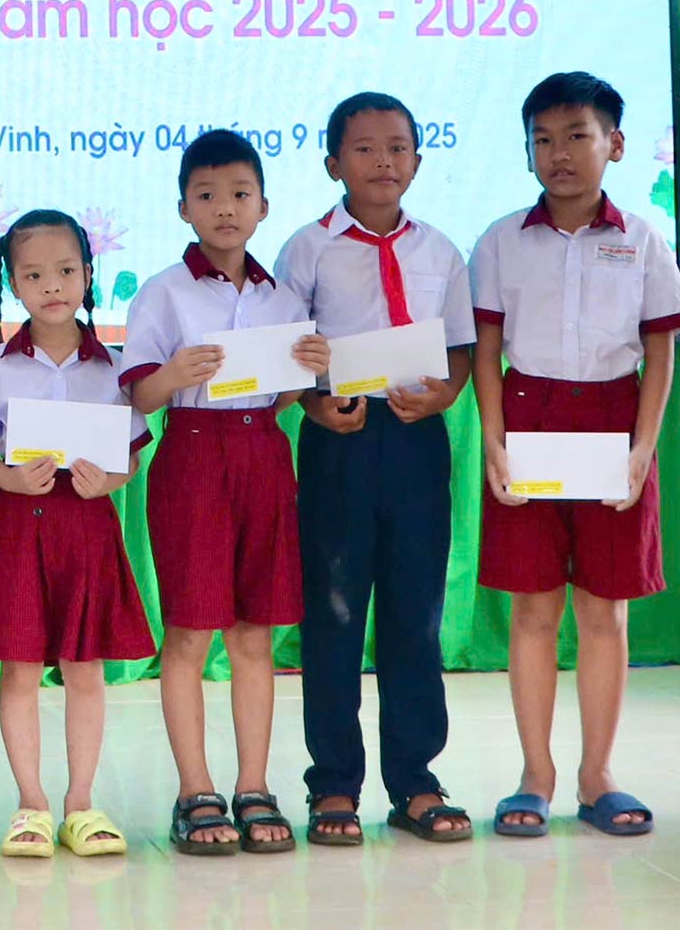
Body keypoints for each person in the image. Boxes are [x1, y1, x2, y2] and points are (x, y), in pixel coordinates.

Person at [471, 73, 677, 839]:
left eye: (577, 136)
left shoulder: (645, 236)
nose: (560, 154)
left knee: (604, 607)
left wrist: (642, 449)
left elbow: (660, 349)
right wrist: (493, 440)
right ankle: (536, 774)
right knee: (532, 606)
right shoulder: (499, 240)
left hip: (614, 421)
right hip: (527, 414)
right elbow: (488, 347)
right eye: (544, 140)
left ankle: (598, 776)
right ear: (527, 152)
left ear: (614, 144)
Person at [275, 93, 477, 845]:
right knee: (332, 615)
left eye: (398, 147)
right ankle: (333, 784)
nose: (383, 161)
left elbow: (459, 348)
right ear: (333, 163)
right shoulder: (307, 248)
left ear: (418, 162)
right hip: (340, 435)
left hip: (417, 440)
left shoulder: (441, 251)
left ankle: (416, 780)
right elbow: (286, 346)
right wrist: (312, 406)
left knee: (414, 614)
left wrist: (448, 394)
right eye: (364, 148)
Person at [121, 130, 329, 855]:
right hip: (192, 455)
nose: (225, 209)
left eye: (240, 194)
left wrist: (310, 368)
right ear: (182, 207)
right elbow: (138, 395)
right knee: (189, 630)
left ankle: (252, 785)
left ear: (264, 205)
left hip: (263, 457)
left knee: (253, 632)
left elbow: (286, 394)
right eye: (206, 195)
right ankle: (195, 787)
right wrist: (172, 375)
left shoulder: (283, 295)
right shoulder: (162, 290)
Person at [0, 210, 155, 859]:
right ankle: (31, 803)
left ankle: (81, 802)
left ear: (89, 274)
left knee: (84, 667)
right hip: (16, 526)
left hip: (85, 528)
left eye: (67, 270)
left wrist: (111, 482)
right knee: (17, 669)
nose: (53, 285)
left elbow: (127, 457)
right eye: (35, 274)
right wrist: (8, 480)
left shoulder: (113, 368)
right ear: (14, 284)